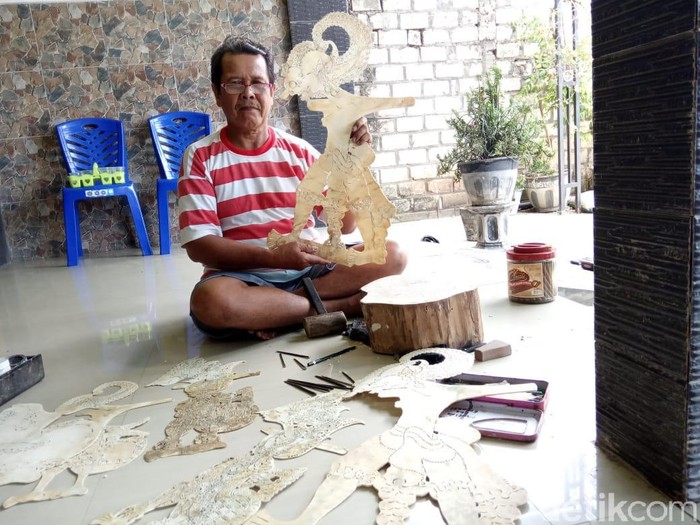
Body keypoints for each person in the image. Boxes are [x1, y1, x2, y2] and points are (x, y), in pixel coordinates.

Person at [177, 36, 407, 340]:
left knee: (393, 254)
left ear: (272, 93)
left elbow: (348, 224)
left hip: (310, 270)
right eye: (235, 84)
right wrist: (273, 258)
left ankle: (280, 311)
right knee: (211, 302)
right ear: (217, 94)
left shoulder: (299, 152)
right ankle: (340, 307)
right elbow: (200, 246)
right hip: (242, 278)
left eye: (258, 84)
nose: (248, 94)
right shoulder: (200, 156)